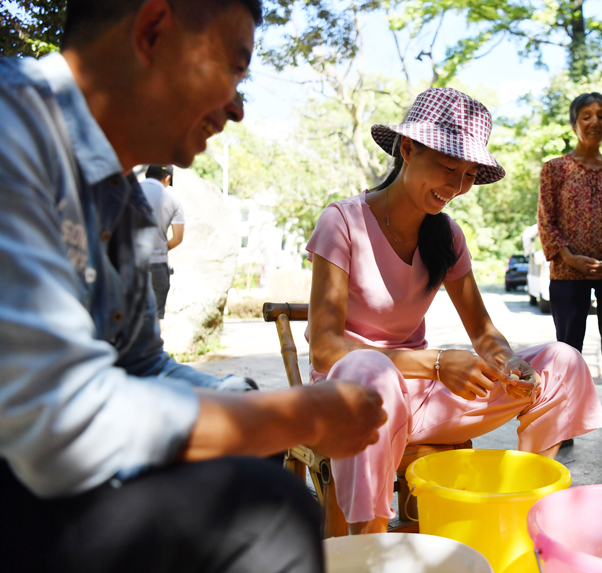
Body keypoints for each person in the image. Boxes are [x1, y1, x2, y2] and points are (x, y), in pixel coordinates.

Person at [0, 1, 386, 571]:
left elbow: (140, 365)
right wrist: (298, 417)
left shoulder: (124, 200)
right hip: (25, 466)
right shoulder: (16, 129)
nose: (236, 107)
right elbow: (56, 420)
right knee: (268, 510)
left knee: (256, 441)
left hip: (45, 472)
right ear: (154, 30)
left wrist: (256, 406)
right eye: (234, 66)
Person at [305, 87, 602, 535]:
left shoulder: (447, 237)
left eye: (467, 174)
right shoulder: (342, 222)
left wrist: (509, 363)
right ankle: (370, 541)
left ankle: (526, 506)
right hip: (353, 399)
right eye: (448, 167)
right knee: (371, 369)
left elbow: (483, 332)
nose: (457, 186)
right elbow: (325, 349)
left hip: (422, 402)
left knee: (562, 361)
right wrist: (438, 363)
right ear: (407, 148)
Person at [537, 92, 602, 425]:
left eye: (601, 115)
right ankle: (565, 424)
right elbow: (546, 218)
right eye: (586, 115)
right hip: (568, 274)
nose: (595, 121)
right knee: (567, 351)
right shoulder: (555, 169)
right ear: (574, 123)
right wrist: (569, 257)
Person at [140, 164, 184, 322]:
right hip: (158, 265)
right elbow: (178, 238)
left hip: (131, 262)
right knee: (154, 318)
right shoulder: (173, 200)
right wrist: (160, 249)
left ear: (146, 173)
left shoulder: (130, 191)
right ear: (167, 178)